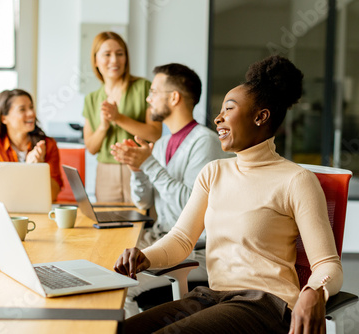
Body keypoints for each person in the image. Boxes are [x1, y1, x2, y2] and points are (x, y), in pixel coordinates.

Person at [114, 55, 343, 333]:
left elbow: (327, 264)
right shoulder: (214, 172)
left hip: (265, 303)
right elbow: (182, 239)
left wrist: (313, 292)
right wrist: (144, 256)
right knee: (119, 330)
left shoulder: (296, 180)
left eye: (229, 109)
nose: (217, 118)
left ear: (261, 117)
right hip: (212, 296)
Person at [110, 63, 230, 317]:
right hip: (159, 239)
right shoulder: (162, 143)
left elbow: (189, 207)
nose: (148, 98)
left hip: (193, 251)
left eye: (154, 91)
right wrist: (137, 168)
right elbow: (142, 200)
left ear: (174, 97)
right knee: (103, 266)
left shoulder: (204, 142)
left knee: (118, 289)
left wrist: (148, 164)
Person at [83, 31, 162, 203]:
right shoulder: (91, 99)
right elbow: (91, 147)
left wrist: (118, 118)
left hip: (139, 168)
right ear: (96, 60)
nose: (114, 60)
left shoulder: (143, 87)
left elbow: (155, 133)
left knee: (143, 222)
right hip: (105, 172)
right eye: (107, 54)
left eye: (120, 54)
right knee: (109, 225)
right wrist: (103, 127)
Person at [0, 89, 63, 201]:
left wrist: (39, 169)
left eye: (31, 107)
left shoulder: (48, 145)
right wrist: (28, 170)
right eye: (22, 109)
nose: (31, 113)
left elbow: (53, 195)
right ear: (4, 118)